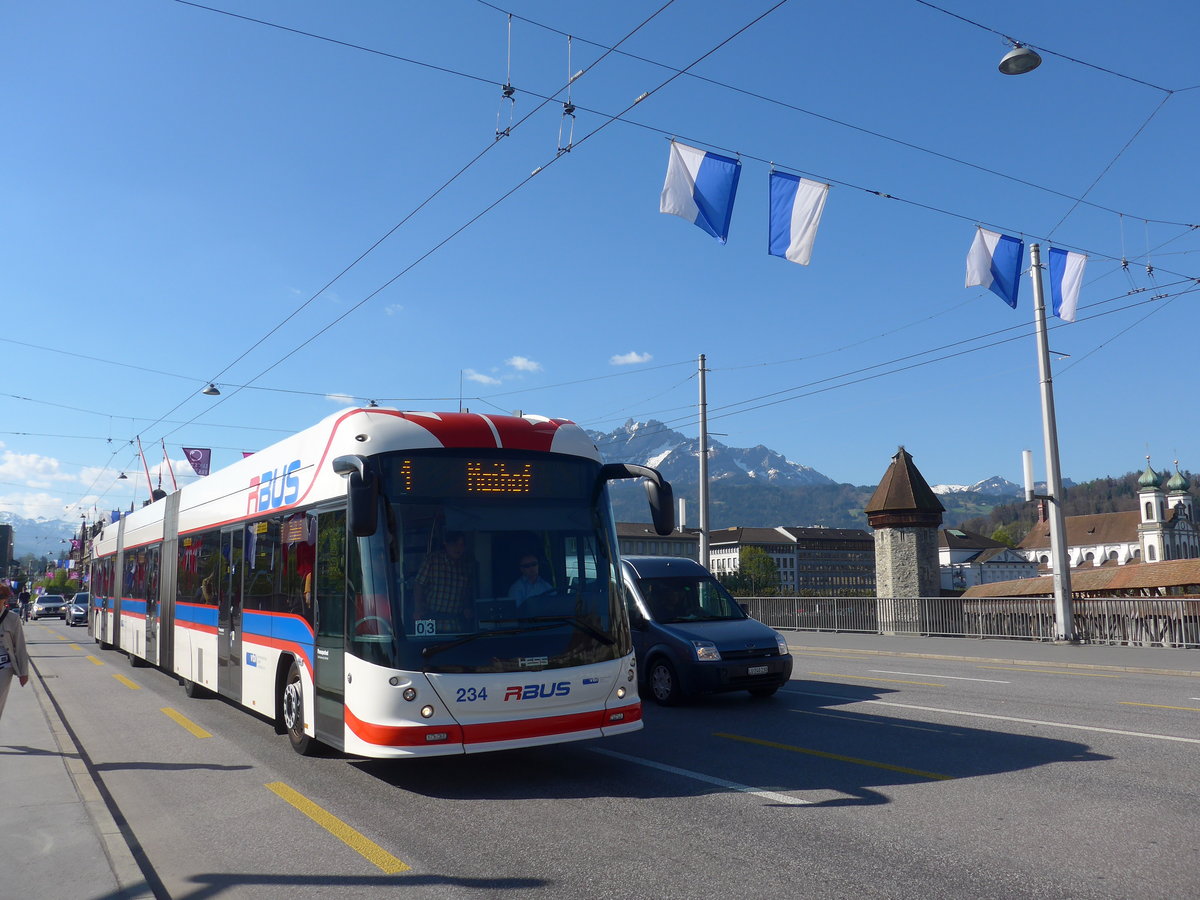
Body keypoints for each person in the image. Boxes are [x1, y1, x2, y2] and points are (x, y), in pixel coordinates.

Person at [413, 531, 474, 633]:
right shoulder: (432, 560)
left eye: (462, 545)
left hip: (456, 626)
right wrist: (418, 609)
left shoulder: (466, 566)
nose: (459, 548)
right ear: (446, 543)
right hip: (429, 622)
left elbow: (468, 592)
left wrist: (467, 608)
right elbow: (419, 584)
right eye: (455, 544)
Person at [0, 587, 31, 723]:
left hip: (4, 666)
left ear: (5, 599)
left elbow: (20, 647)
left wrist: (23, 673)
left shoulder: (12, 618)